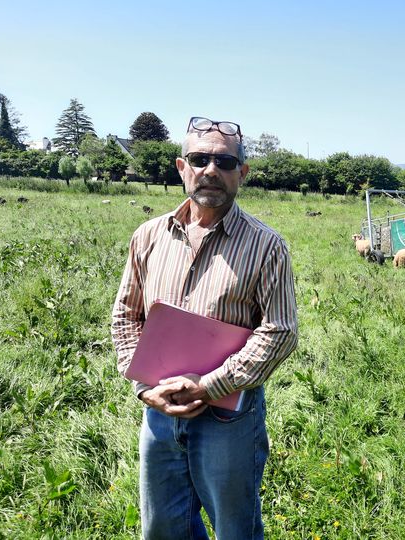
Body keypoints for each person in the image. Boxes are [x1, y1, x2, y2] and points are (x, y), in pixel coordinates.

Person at [111, 116, 298, 539]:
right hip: (159, 412)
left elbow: (280, 330)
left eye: (225, 162)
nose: (211, 170)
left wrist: (211, 384)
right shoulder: (148, 236)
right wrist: (144, 387)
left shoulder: (266, 245)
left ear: (242, 174)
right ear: (182, 168)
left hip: (228, 420)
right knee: (161, 527)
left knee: (235, 529)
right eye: (199, 159)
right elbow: (126, 314)